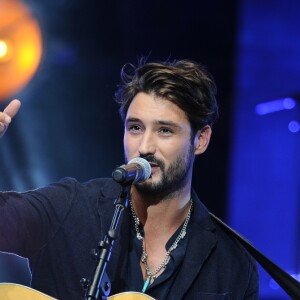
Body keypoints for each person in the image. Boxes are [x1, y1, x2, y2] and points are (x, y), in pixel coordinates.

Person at [0, 59, 259, 300]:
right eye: (135, 128)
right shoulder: (70, 207)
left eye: (165, 130)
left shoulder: (231, 263)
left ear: (200, 140)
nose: (145, 146)